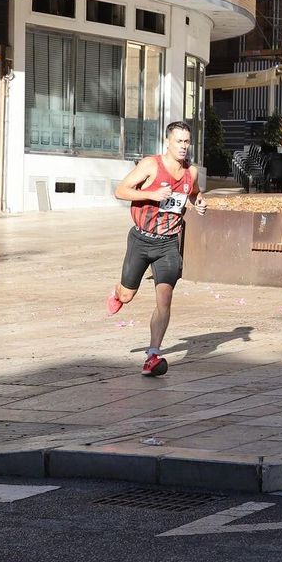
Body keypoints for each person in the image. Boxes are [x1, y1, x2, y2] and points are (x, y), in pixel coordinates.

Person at [106, 121, 207, 376]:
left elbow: (193, 193)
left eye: (187, 142)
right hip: (141, 240)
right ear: (168, 142)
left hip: (169, 243)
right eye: (179, 142)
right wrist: (152, 194)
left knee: (165, 298)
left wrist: (199, 203)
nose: (184, 146)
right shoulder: (151, 165)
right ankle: (118, 294)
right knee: (128, 295)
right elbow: (120, 191)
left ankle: (153, 354)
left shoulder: (191, 172)